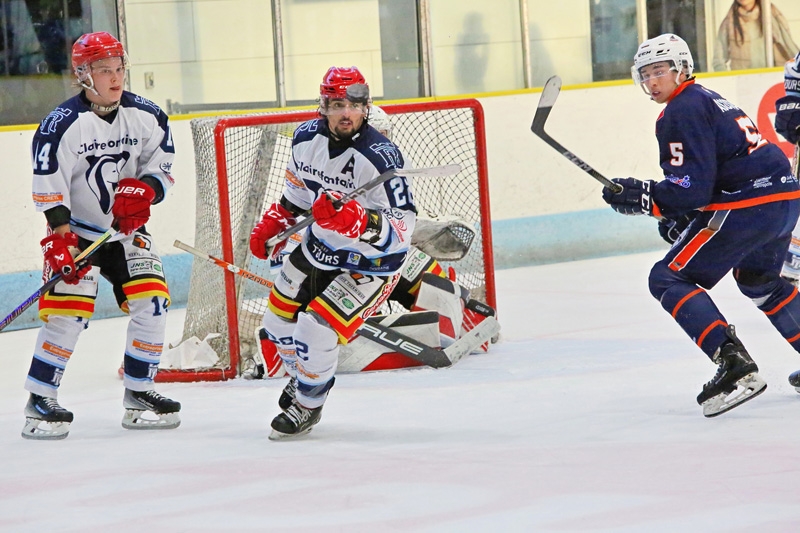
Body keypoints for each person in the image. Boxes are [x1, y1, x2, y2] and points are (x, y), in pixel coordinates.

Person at [602, 33, 800, 417]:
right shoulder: (706, 99)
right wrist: (673, 210)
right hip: (782, 197)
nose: (652, 81)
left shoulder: (681, 109)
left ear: (681, 69)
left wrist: (646, 196)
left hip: (748, 203)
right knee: (760, 283)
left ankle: (733, 364)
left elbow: (689, 188)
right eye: (645, 74)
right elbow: (706, 180)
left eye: (659, 71)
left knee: (666, 278)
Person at [23, 32, 180, 440]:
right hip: (75, 235)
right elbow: (49, 186)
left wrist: (145, 191)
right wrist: (61, 240)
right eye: (104, 69)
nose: (115, 77)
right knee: (68, 314)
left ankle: (140, 391)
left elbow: (161, 167)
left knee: (154, 302)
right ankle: (40, 397)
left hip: (127, 233)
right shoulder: (62, 124)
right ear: (83, 75)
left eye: (119, 68)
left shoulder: (146, 115)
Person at [249, 66, 417, 439]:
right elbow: (296, 196)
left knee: (315, 329)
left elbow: (403, 232)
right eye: (338, 104)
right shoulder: (304, 138)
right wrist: (275, 222)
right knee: (276, 324)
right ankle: (302, 378)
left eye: (355, 105)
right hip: (318, 248)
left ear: (366, 108)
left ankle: (309, 404)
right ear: (323, 105)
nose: (346, 113)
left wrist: (357, 220)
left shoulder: (382, 157)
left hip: (371, 264)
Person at [712, 0, 798, 72]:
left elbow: (789, 46)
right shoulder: (729, 22)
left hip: (774, 79)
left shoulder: (772, 15)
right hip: (744, 83)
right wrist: (729, 82)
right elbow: (718, 60)